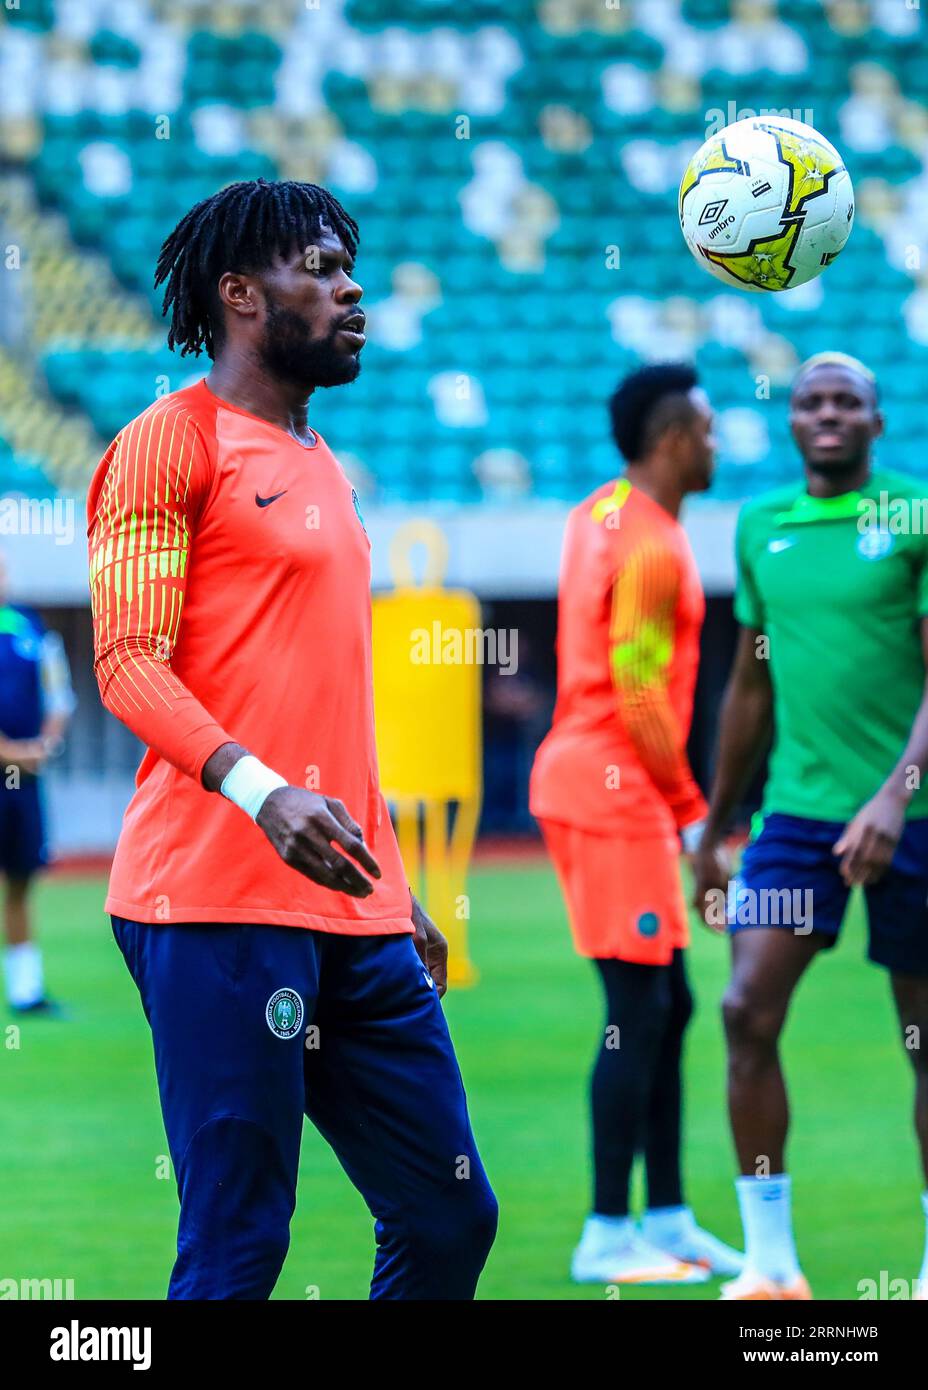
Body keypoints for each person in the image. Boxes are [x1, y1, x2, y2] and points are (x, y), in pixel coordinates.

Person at [87, 178, 497, 1300]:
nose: (350, 288)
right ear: (239, 294)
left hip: (350, 906)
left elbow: (327, 705)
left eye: (348, 267)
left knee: (449, 1214)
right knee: (239, 1243)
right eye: (319, 268)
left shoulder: (323, 465)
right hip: (211, 900)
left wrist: (391, 885)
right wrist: (261, 790)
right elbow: (127, 662)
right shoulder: (168, 444)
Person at [694, 352, 928, 1301]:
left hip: (917, 813)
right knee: (745, 1011)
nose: (828, 414)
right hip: (795, 816)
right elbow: (750, 683)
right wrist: (714, 825)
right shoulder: (762, 523)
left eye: (847, 402)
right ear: (791, 421)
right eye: (811, 402)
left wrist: (894, 794)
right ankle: (770, 1263)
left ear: (876, 421)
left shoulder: (912, 513)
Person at [530, 364, 742, 1284]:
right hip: (613, 791)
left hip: (594, 780)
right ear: (671, 439)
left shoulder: (598, 514)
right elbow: (642, 692)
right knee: (638, 1011)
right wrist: (696, 820)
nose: (717, 442)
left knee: (667, 1006)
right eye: (707, 428)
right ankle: (607, 1231)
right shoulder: (652, 542)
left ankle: (668, 1218)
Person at [0, 552, 74, 1014]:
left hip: (23, 782)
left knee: (21, 880)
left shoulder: (30, 627)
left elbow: (58, 693)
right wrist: (7, 750)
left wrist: (44, 745)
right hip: (11, 763)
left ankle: (25, 991)